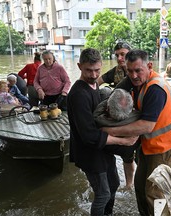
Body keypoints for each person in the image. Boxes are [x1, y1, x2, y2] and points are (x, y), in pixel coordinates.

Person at [103, 49, 171, 216]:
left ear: (149, 66)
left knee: (155, 192)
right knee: (140, 186)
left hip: (167, 146)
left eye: (138, 71)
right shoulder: (135, 79)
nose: (133, 76)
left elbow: (146, 126)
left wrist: (109, 131)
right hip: (151, 145)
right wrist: (109, 104)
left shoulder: (155, 89)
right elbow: (118, 91)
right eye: (130, 71)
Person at [67, 48, 138, 216]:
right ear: (79, 66)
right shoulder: (78, 94)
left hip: (103, 149)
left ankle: (108, 213)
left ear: (102, 66)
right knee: (103, 194)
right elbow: (89, 136)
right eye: (88, 70)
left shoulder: (95, 86)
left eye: (97, 70)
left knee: (114, 184)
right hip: (89, 152)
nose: (93, 75)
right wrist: (123, 141)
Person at [97, 41, 136, 188]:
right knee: (125, 153)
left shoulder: (138, 71)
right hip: (118, 118)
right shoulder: (115, 72)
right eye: (117, 55)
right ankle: (126, 185)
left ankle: (130, 184)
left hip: (134, 118)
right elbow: (97, 82)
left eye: (123, 55)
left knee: (132, 155)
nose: (120, 58)